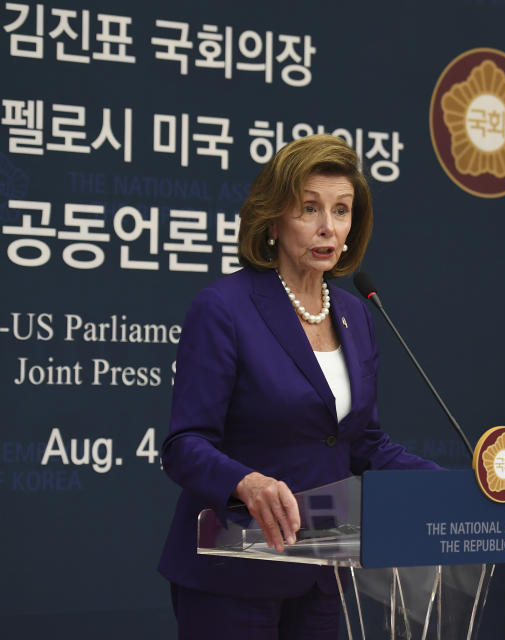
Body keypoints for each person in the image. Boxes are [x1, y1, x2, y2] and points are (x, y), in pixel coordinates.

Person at [158, 134, 440, 639]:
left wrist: (452, 485)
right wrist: (247, 482)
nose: (329, 228)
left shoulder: (356, 313)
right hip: (233, 571)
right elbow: (184, 446)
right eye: (310, 208)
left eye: (342, 210)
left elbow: (362, 444)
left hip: (322, 575)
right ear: (273, 218)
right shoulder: (225, 308)